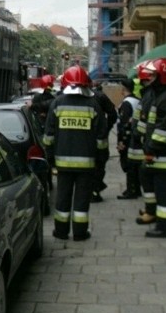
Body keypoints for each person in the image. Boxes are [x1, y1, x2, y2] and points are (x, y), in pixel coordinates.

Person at [42, 65, 108, 242]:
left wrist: (51, 159)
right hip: (87, 165)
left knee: (62, 198)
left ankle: (61, 232)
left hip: (62, 164)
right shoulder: (93, 105)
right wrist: (101, 161)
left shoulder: (57, 103)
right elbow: (101, 138)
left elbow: (48, 136)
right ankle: (80, 232)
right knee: (81, 200)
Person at [135, 58, 166, 238]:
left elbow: (163, 129)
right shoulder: (163, 96)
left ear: (163, 77)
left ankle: (165, 228)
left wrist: (150, 148)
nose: (150, 78)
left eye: (154, 75)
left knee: (165, 195)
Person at [91, 81, 118, 202]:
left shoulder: (70, 97)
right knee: (99, 163)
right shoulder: (100, 96)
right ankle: (95, 189)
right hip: (99, 136)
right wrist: (107, 127)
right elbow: (112, 112)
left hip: (81, 139)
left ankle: (92, 189)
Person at [116, 77, 142, 200]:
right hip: (138, 137)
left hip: (129, 139)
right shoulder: (137, 100)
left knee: (129, 165)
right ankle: (135, 188)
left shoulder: (126, 103)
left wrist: (121, 141)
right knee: (135, 165)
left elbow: (124, 124)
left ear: (123, 89)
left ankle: (131, 190)